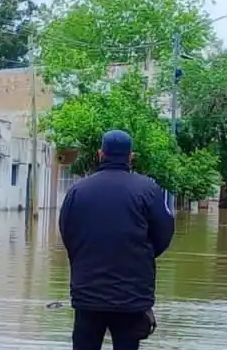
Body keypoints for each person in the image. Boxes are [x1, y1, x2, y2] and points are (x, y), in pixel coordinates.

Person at [59, 130, 176, 350]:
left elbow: (68, 234)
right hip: (131, 296)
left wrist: (85, 257)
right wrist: (141, 255)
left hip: (88, 293)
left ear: (100, 154)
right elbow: (163, 235)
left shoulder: (78, 191)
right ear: (131, 156)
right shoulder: (148, 190)